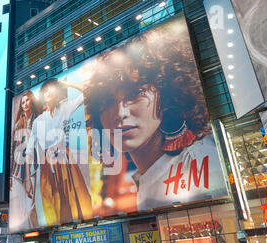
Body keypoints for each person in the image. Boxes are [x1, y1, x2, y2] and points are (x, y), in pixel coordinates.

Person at [83, 18, 227, 212]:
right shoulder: (148, 174)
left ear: (166, 93)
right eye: (108, 102)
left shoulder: (199, 163)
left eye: (135, 94)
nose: (120, 113)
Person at [25, 79, 93, 228]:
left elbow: (87, 93)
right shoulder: (38, 121)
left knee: (77, 203)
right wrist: (28, 179)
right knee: (53, 209)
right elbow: (29, 151)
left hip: (66, 163)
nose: (48, 92)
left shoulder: (65, 107)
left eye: (52, 89)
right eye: (46, 90)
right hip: (46, 168)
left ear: (57, 95)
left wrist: (67, 84)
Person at [10, 91, 43, 231]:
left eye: (27, 101)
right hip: (19, 168)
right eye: (22, 102)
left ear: (32, 102)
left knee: (33, 203)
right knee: (21, 205)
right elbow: (13, 150)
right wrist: (10, 175)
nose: (25, 104)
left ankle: (35, 228)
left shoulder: (39, 119)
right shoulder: (18, 124)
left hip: (36, 164)